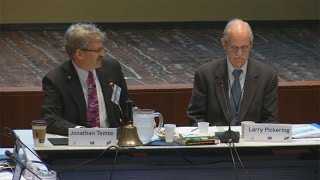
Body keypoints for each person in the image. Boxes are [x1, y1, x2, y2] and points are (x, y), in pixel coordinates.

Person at [41, 23, 129, 135]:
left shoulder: (112, 68)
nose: (103, 54)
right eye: (97, 50)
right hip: (77, 148)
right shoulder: (56, 80)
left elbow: (125, 104)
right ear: (79, 54)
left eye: (102, 49)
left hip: (113, 146)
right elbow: (50, 120)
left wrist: (142, 118)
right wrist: (83, 132)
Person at [187, 19, 278, 126]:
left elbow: (270, 120)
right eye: (234, 48)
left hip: (251, 141)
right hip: (217, 140)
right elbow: (195, 117)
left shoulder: (267, 76)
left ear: (251, 45)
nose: (239, 54)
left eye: (244, 48)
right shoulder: (205, 75)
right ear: (224, 44)